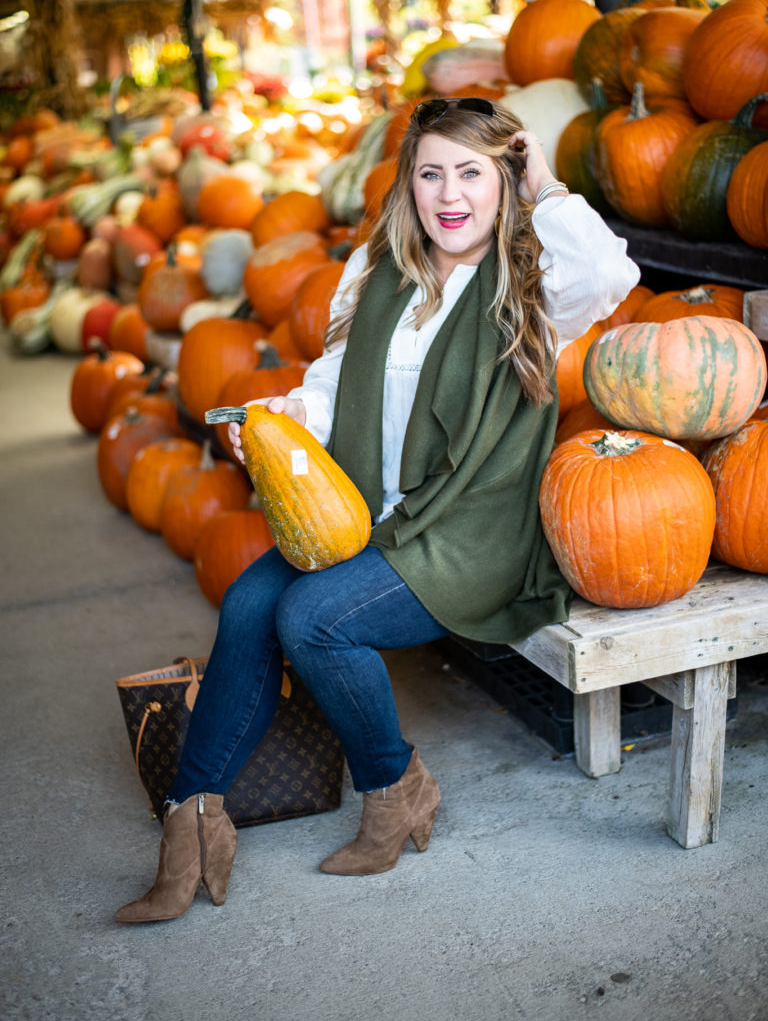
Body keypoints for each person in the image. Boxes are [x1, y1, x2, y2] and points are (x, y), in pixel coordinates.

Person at [116, 96, 640, 924]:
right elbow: (331, 382)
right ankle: (193, 824)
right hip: (370, 510)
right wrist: (278, 426)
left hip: (468, 527)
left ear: (502, 181)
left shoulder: (533, 284)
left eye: (472, 172)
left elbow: (614, 273)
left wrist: (541, 179)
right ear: (409, 184)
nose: (449, 193)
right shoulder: (380, 270)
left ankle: (395, 787)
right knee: (251, 600)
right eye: (431, 172)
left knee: (314, 620)